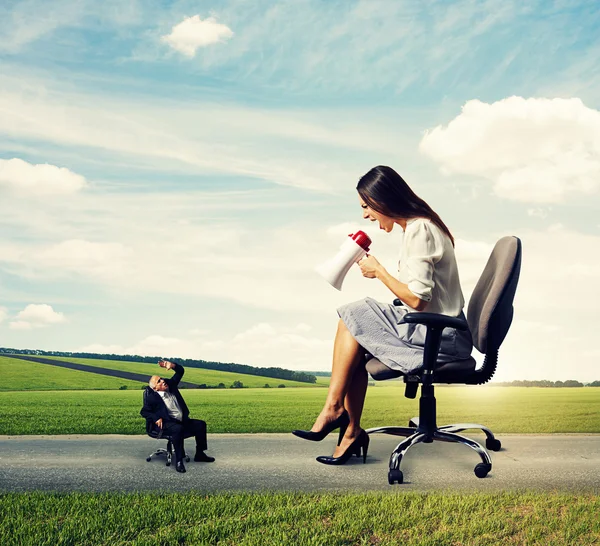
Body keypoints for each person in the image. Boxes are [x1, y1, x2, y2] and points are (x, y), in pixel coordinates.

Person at [292, 165, 473, 465]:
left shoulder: (420, 230)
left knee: (353, 313)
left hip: (441, 335)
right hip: (434, 330)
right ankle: (349, 429)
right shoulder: (417, 229)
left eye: (366, 206)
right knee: (354, 329)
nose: (365, 215)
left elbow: (417, 299)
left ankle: (337, 413)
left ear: (383, 200)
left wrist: (379, 272)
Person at [140, 359, 214, 473]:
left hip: (182, 420)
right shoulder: (152, 398)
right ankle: (179, 461)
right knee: (177, 429)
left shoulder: (171, 385)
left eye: (162, 378)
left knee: (200, 425)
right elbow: (144, 411)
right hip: (167, 423)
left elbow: (180, 371)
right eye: (159, 381)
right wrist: (156, 418)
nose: (163, 381)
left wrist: (172, 365)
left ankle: (200, 454)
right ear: (155, 388)